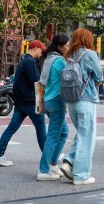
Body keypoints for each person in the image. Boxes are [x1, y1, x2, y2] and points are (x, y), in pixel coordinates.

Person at [0, 40, 47, 167]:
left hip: (20, 102)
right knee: (41, 127)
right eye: (41, 50)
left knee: (11, 128)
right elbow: (36, 81)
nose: (42, 53)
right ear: (36, 48)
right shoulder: (30, 62)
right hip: (31, 101)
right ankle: (49, 155)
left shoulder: (23, 61)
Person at [59, 28, 103, 185]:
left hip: (71, 101)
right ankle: (81, 175)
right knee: (87, 138)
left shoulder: (68, 55)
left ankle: (69, 161)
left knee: (82, 134)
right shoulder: (90, 54)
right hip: (86, 99)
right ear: (87, 39)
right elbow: (99, 76)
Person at [36, 34, 70, 181]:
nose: (68, 47)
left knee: (63, 132)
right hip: (57, 101)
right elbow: (68, 80)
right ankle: (43, 170)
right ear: (59, 46)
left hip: (48, 100)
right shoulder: (60, 61)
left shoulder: (48, 59)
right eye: (67, 45)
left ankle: (53, 164)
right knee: (53, 136)